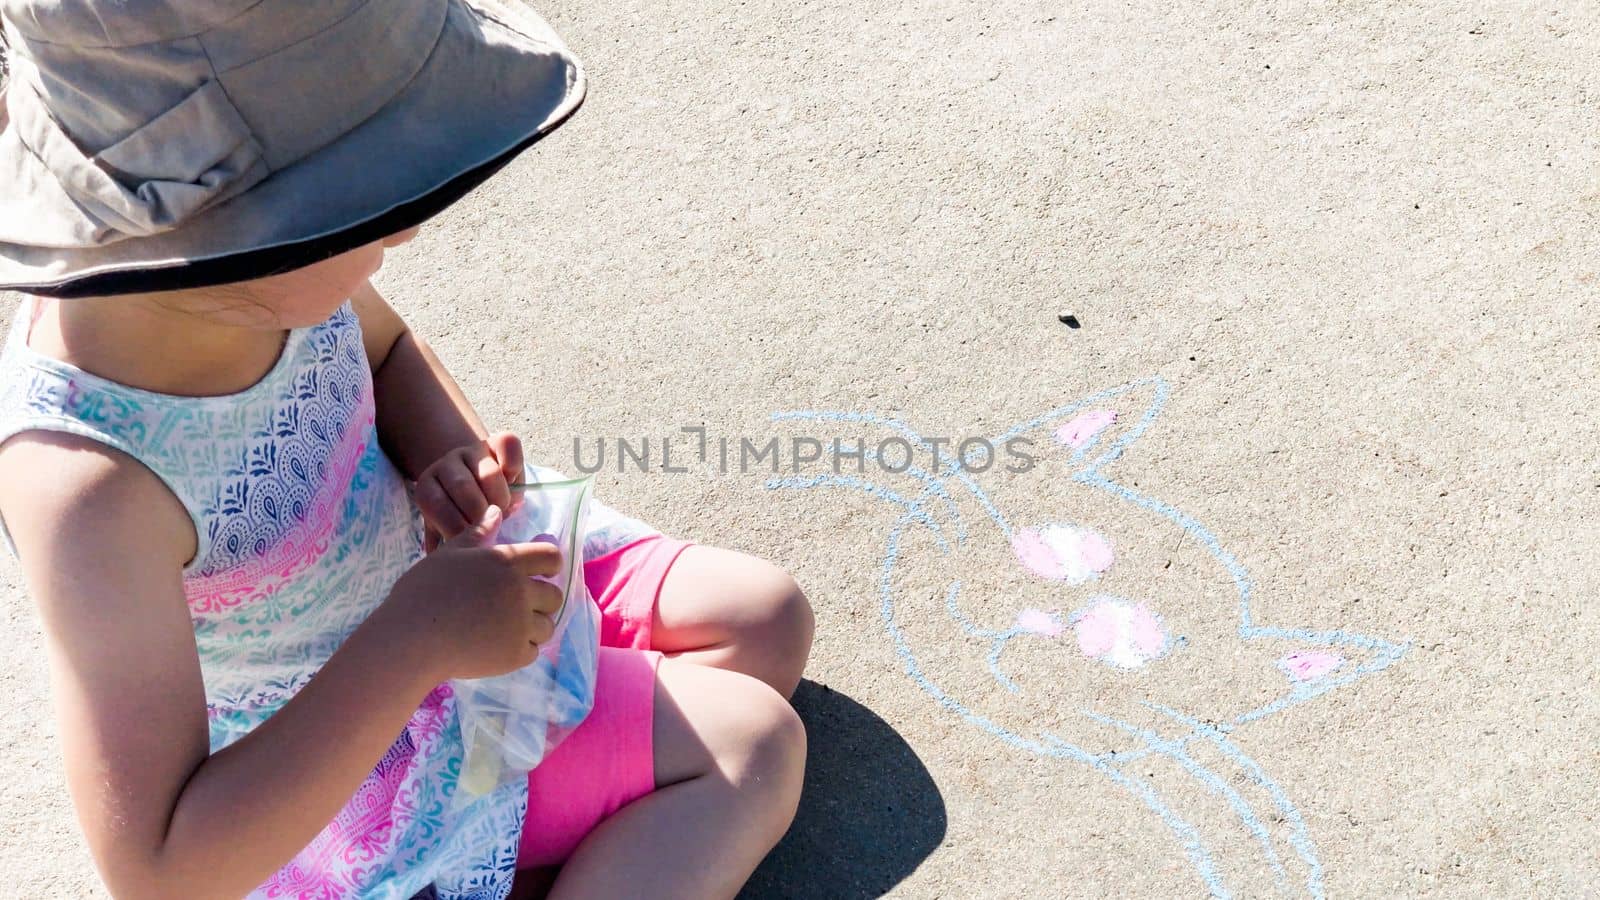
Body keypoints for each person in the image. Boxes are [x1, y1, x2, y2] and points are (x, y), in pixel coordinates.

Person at [0, 1, 813, 898]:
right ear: (223, 235)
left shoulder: (260, 285)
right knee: (751, 743)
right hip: (353, 748)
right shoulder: (88, 483)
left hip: (443, 586)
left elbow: (382, 353)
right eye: (370, 196)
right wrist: (415, 642)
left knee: (766, 620)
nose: (405, 228)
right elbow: (156, 866)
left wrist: (450, 457)